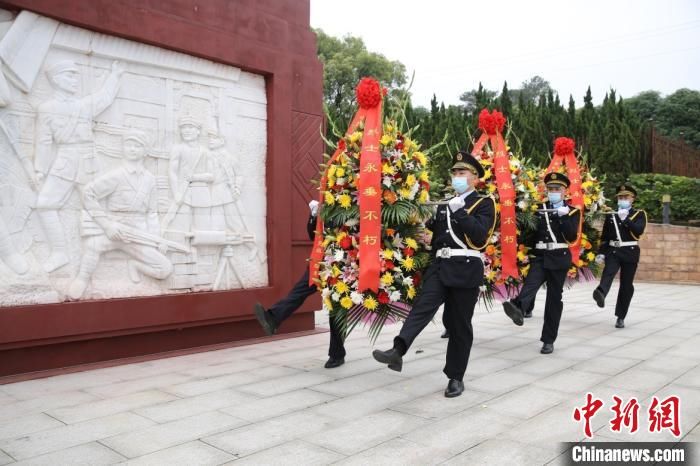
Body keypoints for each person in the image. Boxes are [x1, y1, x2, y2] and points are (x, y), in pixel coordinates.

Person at [372, 151, 496, 398]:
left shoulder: (484, 203)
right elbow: (438, 236)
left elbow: (480, 236)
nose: (457, 177)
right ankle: (398, 350)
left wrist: (460, 212)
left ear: (475, 177)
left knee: (460, 326)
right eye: (455, 173)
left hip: (465, 269)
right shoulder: (445, 204)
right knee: (422, 307)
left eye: (462, 173)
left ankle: (455, 377)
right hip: (440, 266)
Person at [34, 60, 124, 272]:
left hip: (87, 161)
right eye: (70, 75)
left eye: (76, 75)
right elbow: (44, 141)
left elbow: (105, 97)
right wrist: (40, 169)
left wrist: (115, 75)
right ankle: (59, 252)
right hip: (64, 161)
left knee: (99, 206)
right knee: (45, 204)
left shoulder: (83, 105)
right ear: (56, 79)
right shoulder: (46, 108)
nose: (75, 80)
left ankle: (110, 250)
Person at [68, 130, 173, 299]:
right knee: (92, 246)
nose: (132, 149)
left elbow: (152, 213)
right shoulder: (116, 175)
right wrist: (107, 225)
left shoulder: (150, 180)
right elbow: (88, 193)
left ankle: (135, 266)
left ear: (144, 151)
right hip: (115, 230)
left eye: (137, 146)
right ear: (123, 148)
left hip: (137, 236)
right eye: (129, 145)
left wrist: (156, 239)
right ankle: (82, 279)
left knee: (165, 268)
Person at [253, 200, 347, 368]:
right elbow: (313, 235)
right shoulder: (326, 205)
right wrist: (313, 216)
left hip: (343, 264)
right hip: (321, 261)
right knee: (299, 290)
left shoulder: (350, 206)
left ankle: (337, 354)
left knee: (336, 308)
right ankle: (273, 318)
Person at [502, 172, 581, 354]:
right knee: (530, 284)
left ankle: (548, 339)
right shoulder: (538, 208)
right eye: (550, 189)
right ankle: (518, 308)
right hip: (541, 255)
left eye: (557, 189)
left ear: (564, 191)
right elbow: (530, 233)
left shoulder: (572, 211)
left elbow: (570, 236)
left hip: (559, 256)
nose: (553, 191)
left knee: (554, 299)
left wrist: (563, 217)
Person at [592, 184, 647, 328]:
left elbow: (638, 231)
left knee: (626, 285)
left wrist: (626, 220)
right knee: (608, 272)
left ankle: (620, 316)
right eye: (620, 197)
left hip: (630, 251)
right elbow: (605, 237)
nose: (622, 199)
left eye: (625, 197)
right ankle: (601, 293)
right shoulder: (611, 215)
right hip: (613, 251)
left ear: (632, 199)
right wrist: (601, 253)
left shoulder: (639, 214)